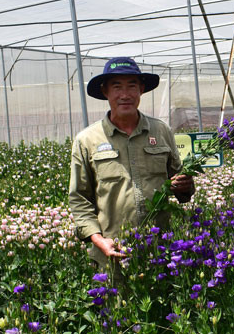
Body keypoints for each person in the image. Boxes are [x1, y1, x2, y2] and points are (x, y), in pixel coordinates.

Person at [69, 57, 194, 269]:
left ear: (142, 90)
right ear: (105, 91)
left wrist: (186, 186)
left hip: (160, 250)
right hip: (113, 251)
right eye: (117, 87)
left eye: (132, 86)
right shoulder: (87, 140)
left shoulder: (161, 131)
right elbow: (79, 199)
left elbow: (180, 185)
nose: (125, 95)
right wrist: (99, 240)